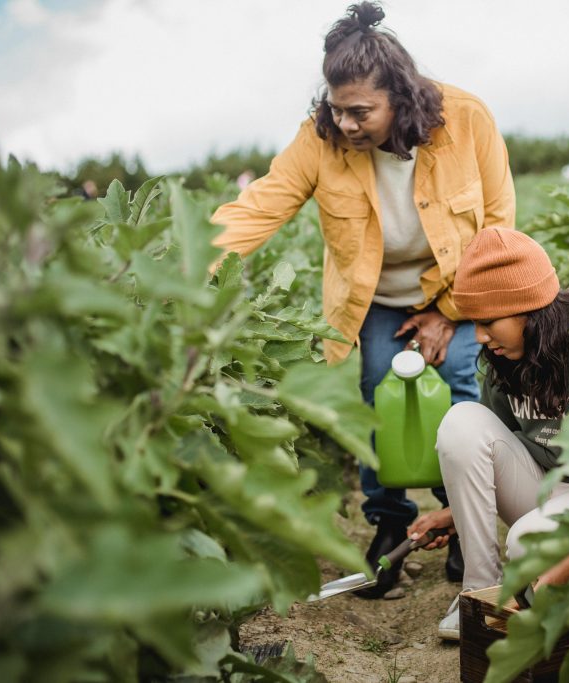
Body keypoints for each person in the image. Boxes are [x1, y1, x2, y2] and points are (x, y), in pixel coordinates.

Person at [208, 2, 515, 598]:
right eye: (335, 107)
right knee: (378, 402)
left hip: (453, 292)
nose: (344, 123)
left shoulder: (467, 119)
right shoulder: (319, 140)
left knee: (460, 396)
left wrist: (447, 312)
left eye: (359, 111)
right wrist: (197, 267)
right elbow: (261, 206)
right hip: (374, 299)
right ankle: (388, 529)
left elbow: (499, 222)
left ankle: (463, 525)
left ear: (399, 96)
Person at [407, 227, 569, 640]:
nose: (480, 336)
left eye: (487, 322)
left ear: (528, 308)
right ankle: (479, 595)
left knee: (529, 542)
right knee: (462, 419)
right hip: (544, 486)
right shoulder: (504, 358)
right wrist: (457, 515)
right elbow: (492, 450)